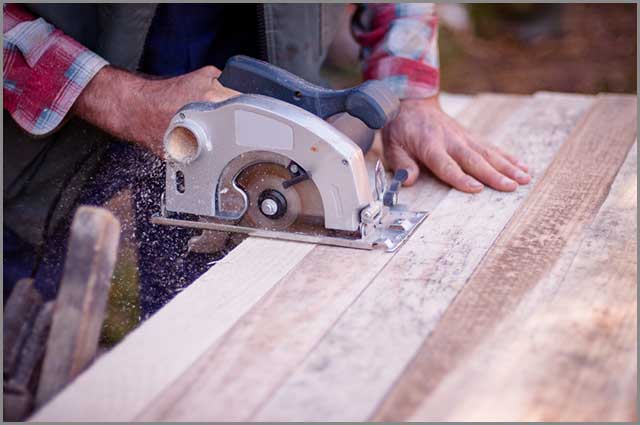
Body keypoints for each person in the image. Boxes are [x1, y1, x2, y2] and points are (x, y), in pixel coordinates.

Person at [3, 3, 530, 316]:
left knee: (225, 333)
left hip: (257, 100)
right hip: (45, 120)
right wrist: (113, 97)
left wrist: (407, 87)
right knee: (38, 339)